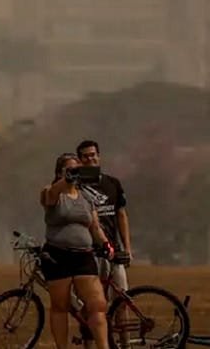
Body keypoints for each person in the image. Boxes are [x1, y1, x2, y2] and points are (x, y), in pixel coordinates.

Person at [40, 153, 114, 349]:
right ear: (59, 172)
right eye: (69, 169)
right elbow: (50, 197)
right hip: (58, 255)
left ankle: (103, 346)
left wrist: (106, 244)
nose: (74, 174)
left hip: (84, 255)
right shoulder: (51, 192)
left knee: (97, 305)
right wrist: (66, 180)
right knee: (60, 306)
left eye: (77, 170)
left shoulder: (86, 197)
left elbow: (95, 226)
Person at [74, 139, 132, 348]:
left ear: (99, 156)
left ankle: (125, 344)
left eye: (93, 155)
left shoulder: (112, 183)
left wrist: (127, 247)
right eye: (85, 156)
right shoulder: (76, 187)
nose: (91, 159)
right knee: (92, 305)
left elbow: (121, 215)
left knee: (121, 301)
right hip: (90, 253)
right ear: (79, 160)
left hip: (113, 251)